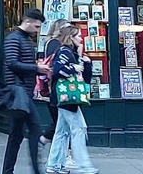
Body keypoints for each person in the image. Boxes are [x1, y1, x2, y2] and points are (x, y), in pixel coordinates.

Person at [1, 8, 50, 174]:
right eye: (36, 27)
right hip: (18, 92)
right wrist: (37, 68)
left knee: (16, 134)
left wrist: (36, 69)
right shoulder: (14, 39)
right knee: (35, 129)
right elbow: (12, 63)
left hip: (22, 92)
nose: (38, 30)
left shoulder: (24, 39)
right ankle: (37, 170)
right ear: (27, 21)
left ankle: (7, 171)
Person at [45, 25, 97, 174]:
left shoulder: (72, 54)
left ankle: (54, 164)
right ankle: (84, 165)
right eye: (78, 36)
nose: (81, 38)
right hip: (66, 98)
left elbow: (85, 80)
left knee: (62, 131)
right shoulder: (64, 52)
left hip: (65, 98)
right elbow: (57, 70)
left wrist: (86, 63)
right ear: (71, 38)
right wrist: (73, 68)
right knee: (79, 129)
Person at [41, 19, 68, 146]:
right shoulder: (55, 44)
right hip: (56, 86)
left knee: (60, 120)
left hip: (54, 86)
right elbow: (56, 66)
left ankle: (45, 139)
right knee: (61, 119)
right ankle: (46, 139)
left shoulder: (50, 42)